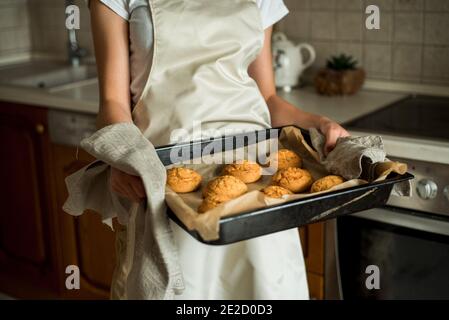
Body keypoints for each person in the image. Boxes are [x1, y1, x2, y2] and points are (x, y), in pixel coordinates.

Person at [88, 0, 349, 299]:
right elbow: (113, 102)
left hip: (259, 183)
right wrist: (123, 156)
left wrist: (320, 123)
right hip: (165, 182)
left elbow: (268, 99)